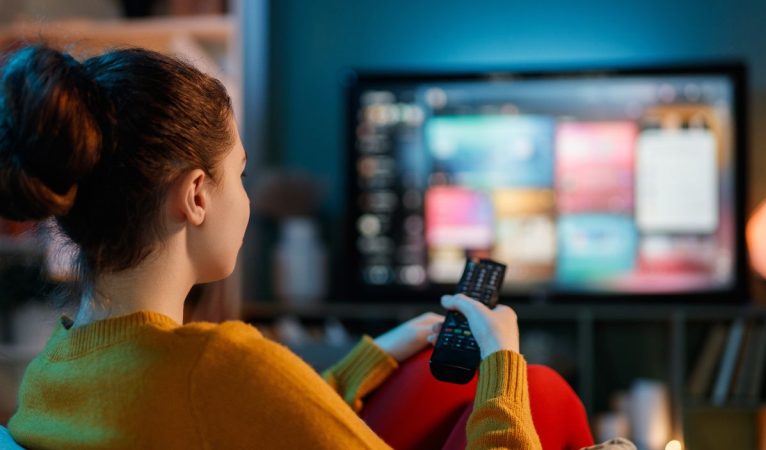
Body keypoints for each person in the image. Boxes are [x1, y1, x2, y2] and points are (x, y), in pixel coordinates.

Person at [0, 45, 540, 449]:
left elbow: (264, 416)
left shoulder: (51, 371)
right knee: (546, 390)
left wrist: (376, 354)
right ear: (196, 196)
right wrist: (503, 362)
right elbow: (245, 395)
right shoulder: (219, 366)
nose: (248, 198)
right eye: (240, 173)